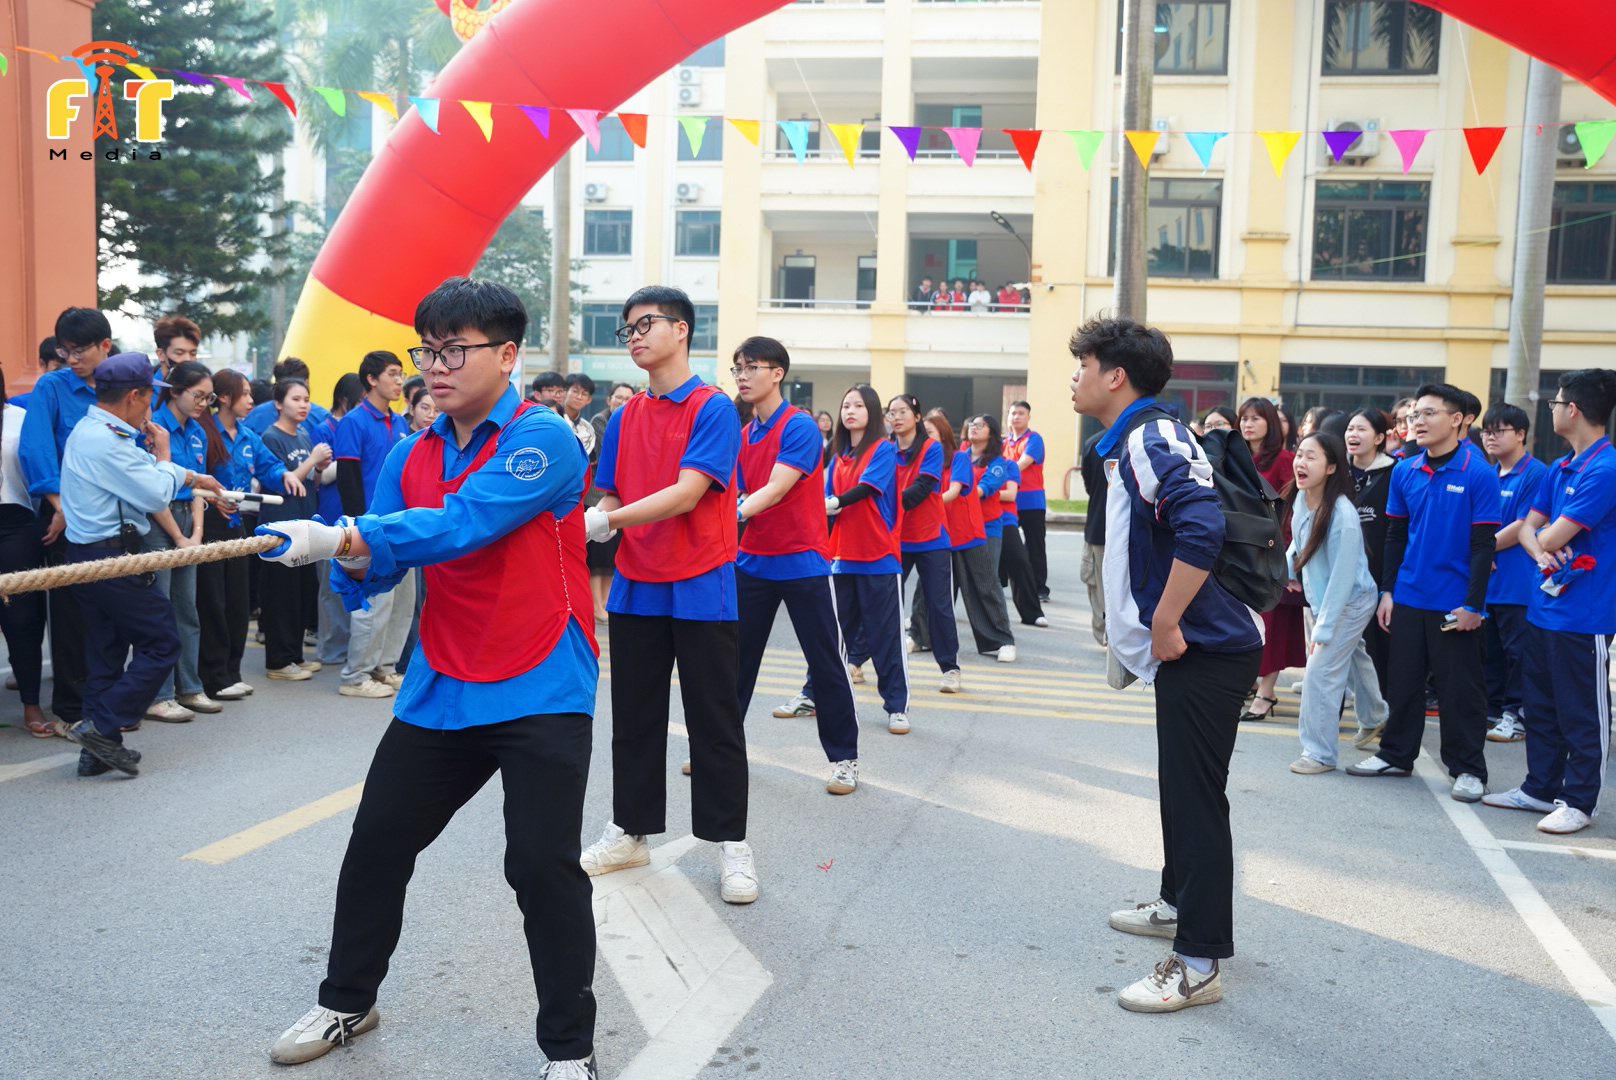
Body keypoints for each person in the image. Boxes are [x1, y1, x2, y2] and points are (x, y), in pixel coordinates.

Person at [257, 277, 599, 1077]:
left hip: (541, 678)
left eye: (455, 350)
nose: (435, 367)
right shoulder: (412, 453)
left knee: (540, 864)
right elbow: (375, 567)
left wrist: (342, 535)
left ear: (507, 355)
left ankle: (570, 1051)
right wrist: (327, 554)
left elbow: (462, 524)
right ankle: (348, 1001)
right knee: (377, 842)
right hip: (444, 680)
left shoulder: (543, 440)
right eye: (428, 351)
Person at [1070, 316, 1263, 1013]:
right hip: (1198, 645)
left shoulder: (1150, 437)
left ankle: (1199, 961)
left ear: (1114, 375)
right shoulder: (1143, 434)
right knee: (1181, 789)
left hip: (1207, 647)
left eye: (1082, 364)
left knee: (1195, 800)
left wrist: (1166, 617)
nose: (1075, 376)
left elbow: (1202, 524)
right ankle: (1178, 904)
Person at [578, 285, 755, 905]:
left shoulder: (712, 408)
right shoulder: (625, 416)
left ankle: (732, 842)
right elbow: (611, 494)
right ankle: (631, 830)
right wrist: (599, 516)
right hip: (636, 587)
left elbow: (686, 493)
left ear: (681, 330)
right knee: (635, 720)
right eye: (627, 327)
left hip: (701, 582)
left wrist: (608, 521)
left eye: (646, 323)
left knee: (714, 720)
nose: (634, 335)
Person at [57, 353, 224, 777]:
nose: (153, 403)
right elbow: (152, 494)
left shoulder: (95, 430)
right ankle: (100, 725)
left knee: (106, 653)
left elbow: (146, 473)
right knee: (162, 642)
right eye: (152, 393)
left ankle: (97, 751)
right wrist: (170, 460)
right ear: (134, 395)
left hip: (93, 555)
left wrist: (190, 476)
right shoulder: (106, 440)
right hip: (110, 557)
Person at [1348, 383, 1501, 803]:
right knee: (1403, 683)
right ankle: (1396, 755)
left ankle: (1468, 768)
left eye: (1429, 413)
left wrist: (1474, 604)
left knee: (1460, 690)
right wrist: (1388, 591)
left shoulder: (1478, 472)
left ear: (1457, 420)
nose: (1418, 421)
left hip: (1454, 602)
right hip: (1410, 596)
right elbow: (1396, 534)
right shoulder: (1406, 469)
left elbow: (1484, 545)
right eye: (1416, 414)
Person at [1484, 369, 1616, 835]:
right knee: (1539, 706)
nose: (1553, 409)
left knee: (1580, 710)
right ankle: (1539, 787)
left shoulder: (1605, 469)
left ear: (1573, 409)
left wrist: (1539, 541)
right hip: (1545, 607)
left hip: (1586, 613)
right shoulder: (1560, 467)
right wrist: (1542, 550)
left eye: (1557, 402)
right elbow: (1527, 530)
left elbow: (1552, 531)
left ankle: (1580, 801)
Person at [730, 337, 861, 792]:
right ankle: (721, 750)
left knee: (825, 663)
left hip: (803, 561)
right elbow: (739, 489)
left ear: (777, 373)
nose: (742, 376)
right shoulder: (746, 434)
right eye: (737, 369)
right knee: (734, 663)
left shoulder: (800, 425)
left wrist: (737, 513)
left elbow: (777, 488)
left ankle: (844, 758)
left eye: (751, 367)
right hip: (752, 562)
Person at [19, 307, 110, 728]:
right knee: (72, 617)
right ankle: (73, 710)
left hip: (113, 519)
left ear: (104, 347)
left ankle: (108, 702)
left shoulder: (118, 386)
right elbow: (36, 451)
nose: (71, 359)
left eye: (79, 350)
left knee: (111, 614)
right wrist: (62, 509)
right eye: (65, 350)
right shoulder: (51, 387)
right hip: (63, 519)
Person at [808, 385, 910, 733]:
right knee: (831, 635)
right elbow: (823, 500)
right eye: (845, 405)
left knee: (885, 638)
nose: (850, 411)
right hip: (840, 557)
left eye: (858, 406)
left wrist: (833, 502)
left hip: (878, 557)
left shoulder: (883, 449)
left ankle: (896, 706)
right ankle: (812, 694)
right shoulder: (837, 457)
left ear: (872, 412)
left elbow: (865, 489)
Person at [1285, 432, 1389, 774]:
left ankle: (1319, 754)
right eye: (1300, 454)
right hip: (1326, 599)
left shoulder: (1342, 515)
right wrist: (1283, 571)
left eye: (1311, 457)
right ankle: (1376, 716)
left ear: (1331, 467)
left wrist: (1324, 630)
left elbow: (1344, 580)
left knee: (1320, 673)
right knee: (1353, 655)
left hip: (1351, 601)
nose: (1301, 462)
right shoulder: (1303, 499)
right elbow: (1298, 544)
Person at [195, 369, 291, 703]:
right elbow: (191, 479)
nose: (251, 400)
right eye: (245, 393)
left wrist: (287, 476)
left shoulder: (249, 436)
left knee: (237, 600)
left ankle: (231, 672)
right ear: (223, 397)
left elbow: (271, 468)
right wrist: (211, 498)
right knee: (212, 602)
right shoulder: (203, 433)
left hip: (237, 524)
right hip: (207, 525)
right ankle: (213, 676)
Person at [334, 350, 414, 698]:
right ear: (371, 379)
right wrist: (358, 531)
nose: (399, 381)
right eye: (393, 374)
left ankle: (385, 668)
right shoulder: (353, 421)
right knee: (373, 604)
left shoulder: (399, 423)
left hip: (402, 525)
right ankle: (355, 676)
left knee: (401, 603)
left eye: (400, 375)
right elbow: (349, 480)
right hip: (370, 529)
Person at [907, 410, 1015, 661]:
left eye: (929, 432)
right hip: (936, 532)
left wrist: (917, 503)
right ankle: (919, 635)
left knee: (983, 586)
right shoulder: (924, 459)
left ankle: (1002, 641)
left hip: (967, 532)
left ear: (943, 435)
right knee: (928, 588)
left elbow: (956, 492)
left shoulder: (959, 458)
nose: (923, 437)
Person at [141, 361, 216, 722]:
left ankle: (189, 686)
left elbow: (198, 487)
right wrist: (178, 536)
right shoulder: (153, 428)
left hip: (189, 520)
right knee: (160, 610)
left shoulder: (198, 431)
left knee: (187, 608)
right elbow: (155, 493)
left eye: (208, 397)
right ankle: (159, 694)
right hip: (159, 521)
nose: (203, 403)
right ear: (174, 391)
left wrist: (196, 534)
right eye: (197, 395)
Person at [1476, 403, 1548, 744]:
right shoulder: (1488, 474)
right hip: (1488, 585)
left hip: (1518, 583)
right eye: (1486, 431)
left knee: (1519, 652)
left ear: (1521, 435)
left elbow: (1524, 523)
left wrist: (1485, 548)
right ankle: (1493, 710)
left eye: (1498, 430)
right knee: (1490, 652)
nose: (1490, 437)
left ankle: (1517, 714)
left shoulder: (1536, 474)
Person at [888, 394, 962, 694]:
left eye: (903, 411)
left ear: (917, 417)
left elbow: (921, 489)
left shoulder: (932, 448)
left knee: (939, 604)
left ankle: (950, 668)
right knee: (885, 601)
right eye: (891, 412)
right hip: (895, 537)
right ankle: (856, 659)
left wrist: (882, 503)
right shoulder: (884, 449)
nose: (897, 417)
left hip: (931, 537)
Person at [1236, 397, 1304, 721]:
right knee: (1246, 621)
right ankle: (1250, 682)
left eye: (1256, 418)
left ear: (1271, 424)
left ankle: (1267, 692)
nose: (1248, 424)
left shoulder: (1286, 460)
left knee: (1273, 625)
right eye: (1244, 418)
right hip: (1241, 553)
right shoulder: (1238, 458)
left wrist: (1286, 556)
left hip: (1274, 553)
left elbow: (1292, 512)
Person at [258, 380, 329, 681]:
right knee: (281, 595)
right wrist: (313, 460)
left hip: (304, 525)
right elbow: (285, 482)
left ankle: (295, 656)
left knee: (301, 593)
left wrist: (321, 467)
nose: (304, 405)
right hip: (280, 527)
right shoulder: (270, 437)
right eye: (296, 399)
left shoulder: (302, 434)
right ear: (278, 403)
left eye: (307, 399)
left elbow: (312, 481)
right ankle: (278, 660)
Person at [0, 374, 49, 737]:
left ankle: (32, 705)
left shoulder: (20, 417)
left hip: (16, 524)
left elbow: (40, 468)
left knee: (23, 620)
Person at [311, 374, 366, 667]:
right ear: (345, 400)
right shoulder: (326, 428)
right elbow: (321, 475)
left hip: (353, 517)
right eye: (359, 400)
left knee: (350, 583)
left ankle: (347, 647)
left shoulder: (355, 424)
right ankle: (331, 649)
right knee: (331, 588)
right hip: (331, 515)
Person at [1344, 408, 1397, 703]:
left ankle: (1381, 710)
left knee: (1379, 646)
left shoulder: (1395, 472)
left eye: (1361, 429)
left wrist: (1389, 585)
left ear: (1379, 437)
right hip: (1343, 572)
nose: (1353, 434)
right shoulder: (1337, 471)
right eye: (1350, 428)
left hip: (1380, 573)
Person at [989, 433, 1048, 628]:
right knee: (957, 566)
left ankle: (1032, 611)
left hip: (1003, 518)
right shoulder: (968, 461)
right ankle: (931, 616)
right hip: (974, 519)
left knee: (1020, 558)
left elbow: (1010, 493)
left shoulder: (1009, 464)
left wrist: (980, 493)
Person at [586, 382, 634, 622]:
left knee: (609, 557)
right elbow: (611, 456)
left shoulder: (628, 421)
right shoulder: (601, 421)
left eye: (628, 398)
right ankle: (595, 604)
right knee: (598, 557)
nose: (623, 402)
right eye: (619, 397)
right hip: (597, 498)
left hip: (621, 499)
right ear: (609, 399)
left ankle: (604, 601)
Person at [1003, 400, 1049, 600]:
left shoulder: (1034, 439)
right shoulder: (1004, 443)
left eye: (1021, 413)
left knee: (1035, 545)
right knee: (1004, 541)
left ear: (1028, 417)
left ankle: (1040, 588)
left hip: (1031, 501)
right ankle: (1000, 582)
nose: (1016, 416)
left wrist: (998, 473)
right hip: (1008, 501)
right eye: (1013, 413)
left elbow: (1022, 464)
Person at [244, 358, 333, 436]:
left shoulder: (256, 415)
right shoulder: (322, 416)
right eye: (295, 399)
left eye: (305, 400)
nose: (302, 406)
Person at [1079, 429, 1108, 648]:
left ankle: (1105, 635)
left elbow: (1089, 485)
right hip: (1122, 528)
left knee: (1099, 584)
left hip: (1100, 525)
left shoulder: (1093, 441)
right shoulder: (1141, 436)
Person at [10, 336, 67, 411]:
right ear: (42, 364)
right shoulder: (18, 405)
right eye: (59, 366)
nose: (66, 372)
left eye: (70, 366)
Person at [151, 314, 201, 381]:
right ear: (161, 354)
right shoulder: (148, 390)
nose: (188, 359)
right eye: (179, 353)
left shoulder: (204, 387)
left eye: (193, 354)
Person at [562, 373, 597, 453]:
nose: (579, 397)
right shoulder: (552, 419)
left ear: (589, 400)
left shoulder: (588, 429)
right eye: (575, 391)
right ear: (565, 392)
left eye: (584, 394)